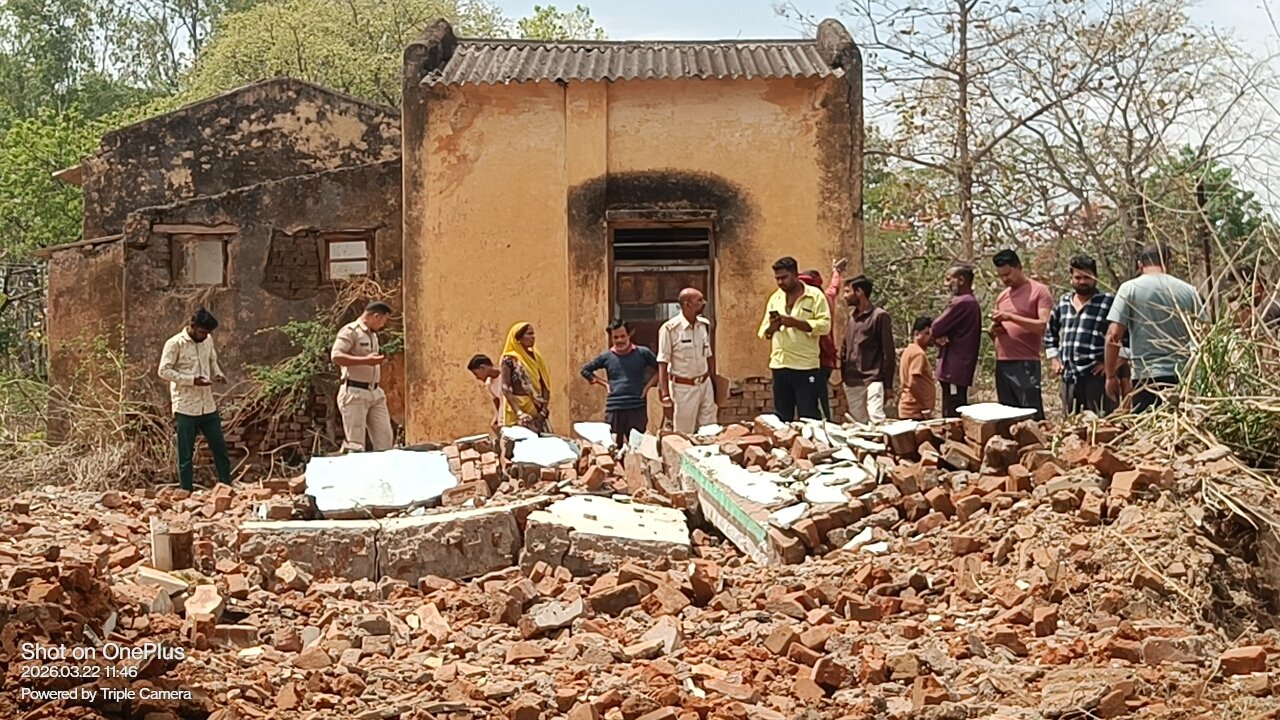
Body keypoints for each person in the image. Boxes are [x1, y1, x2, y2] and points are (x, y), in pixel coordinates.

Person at [1105, 244, 1203, 412]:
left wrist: (1111, 375)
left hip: (1146, 378)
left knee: (1148, 424)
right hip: (1183, 377)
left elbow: (1113, 335)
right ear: (1168, 263)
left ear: (1140, 265)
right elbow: (1203, 334)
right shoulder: (1189, 291)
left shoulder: (1129, 289)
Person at [158, 308, 232, 491]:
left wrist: (218, 373)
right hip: (185, 405)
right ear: (192, 326)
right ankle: (186, 491)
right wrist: (191, 380)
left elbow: (212, 359)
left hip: (207, 404)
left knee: (219, 447)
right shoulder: (174, 343)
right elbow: (163, 371)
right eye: (201, 332)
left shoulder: (207, 340)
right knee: (185, 453)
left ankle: (227, 486)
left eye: (207, 333)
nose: (204, 336)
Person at [1044, 255, 1127, 416]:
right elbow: (1050, 332)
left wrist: (1112, 365)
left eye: (1087, 277)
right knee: (1071, 425)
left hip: (1096, 378)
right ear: (1071, 278)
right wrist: (1054, 359)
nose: (1082, 281)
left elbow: (1126, 336)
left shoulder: (1108, 302)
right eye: (1078, 277)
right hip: (1069, 378)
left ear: (1095, 277)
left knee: (1102, 423)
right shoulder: (1063, 303)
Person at [758, 256, 832, 422]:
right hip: (780, 365)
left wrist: (796, 323)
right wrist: (773, 327)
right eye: (777, 278)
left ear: (795, 274)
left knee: (809, 417)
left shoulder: (815, 296)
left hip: (805, 366)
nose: (780, 282)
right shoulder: (775, 298)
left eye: (784, 277)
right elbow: (765, 332)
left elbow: (825, 326)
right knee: (782, 419)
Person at [990, 249, 1053, 420]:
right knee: (1007, 415)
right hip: (1003, 362)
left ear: (1019, 267)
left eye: (1008, 274)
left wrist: (1010, 317)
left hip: (1025, 362)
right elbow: (996, 331)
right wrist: (996, 329)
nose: (1005, 279)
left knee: (1030, 414)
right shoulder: (1002, 296)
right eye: (1001, 276)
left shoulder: (1039, 291)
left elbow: (1043, 326)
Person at [582, 320, 660, 447]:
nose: (619, 340)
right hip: (614, 408)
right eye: (616, 337)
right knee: (613, 446)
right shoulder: (606, 357)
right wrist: (605, 384)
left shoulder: (642, 353)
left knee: (637, 446)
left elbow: (661, 369)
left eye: (623, 336)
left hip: (636, 407)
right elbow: (585, 370)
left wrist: (647, 388)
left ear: (629, 335)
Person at [331, 302, 394, 452]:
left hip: (375, 392)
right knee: (356, 445)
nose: (383, 325)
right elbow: (336, 356)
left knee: (385, 441)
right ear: (376, 316)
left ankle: (383, 467)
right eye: (383, 320)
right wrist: (366, 361)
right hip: (355, 392)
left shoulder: (373, 335)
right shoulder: (350, 331)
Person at [657, 288, 718, 434]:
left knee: (709, 430)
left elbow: (708, 355)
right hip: (683, 389)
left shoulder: (703, 325)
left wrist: (714, 382)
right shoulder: (670, 329)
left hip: (705, 385)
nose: (704, 303)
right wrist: (665, 396)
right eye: (699, 300)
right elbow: (663, 363)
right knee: (684, 433)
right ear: (687, 304)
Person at [839, 274, 896, 424]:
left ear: (859, 292)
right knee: (859, 425)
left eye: (847, 291)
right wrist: (844, 376)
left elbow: (888, 353)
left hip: (873, 379)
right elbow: (845, 348)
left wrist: (888, 386)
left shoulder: (880, 316)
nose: (844, 296)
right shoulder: (852, 317)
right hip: (852, 382)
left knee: (877, 420)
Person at [798, 258, 847, 420]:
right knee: (817, 394)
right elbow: (834, 287)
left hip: (818, 358)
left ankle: (825, 424)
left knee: (817, 396)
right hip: (824, 359)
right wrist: (836, 272)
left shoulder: (815, 302)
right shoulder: (827, 297)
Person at [931, 264, 982, 418]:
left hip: (954, 369)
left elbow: (936, 327)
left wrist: (939, 333)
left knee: (953, 411)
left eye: (948, 279)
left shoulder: (963, 302)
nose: (945, 284)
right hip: (957, 368)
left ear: (961, 280)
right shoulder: (969, 302)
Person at [500, 322, 553, 433]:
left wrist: (543, 411)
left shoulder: (537, 357)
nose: (533, 337)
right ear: (518, 339)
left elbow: (544, 384)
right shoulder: (509, 359)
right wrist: (519, 413)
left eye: (533, 333)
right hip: (517, 409)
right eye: (529, 334)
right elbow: (505, 387)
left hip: (535, 408)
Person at [898, 316, 937, 420]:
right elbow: (913, 381)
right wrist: (924, 406)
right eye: (927, 333)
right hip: (914, 411)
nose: (930, 337)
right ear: (916, 334)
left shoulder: (909, 350)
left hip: (909, 409)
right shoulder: (918, 354)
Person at [467, 354, 503, 433]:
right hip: (504, 419)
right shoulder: (489, 384)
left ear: (482, 368)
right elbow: (497, 401)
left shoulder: (506, 374)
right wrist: (497, 417)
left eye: (476, 374)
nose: (477, 377)